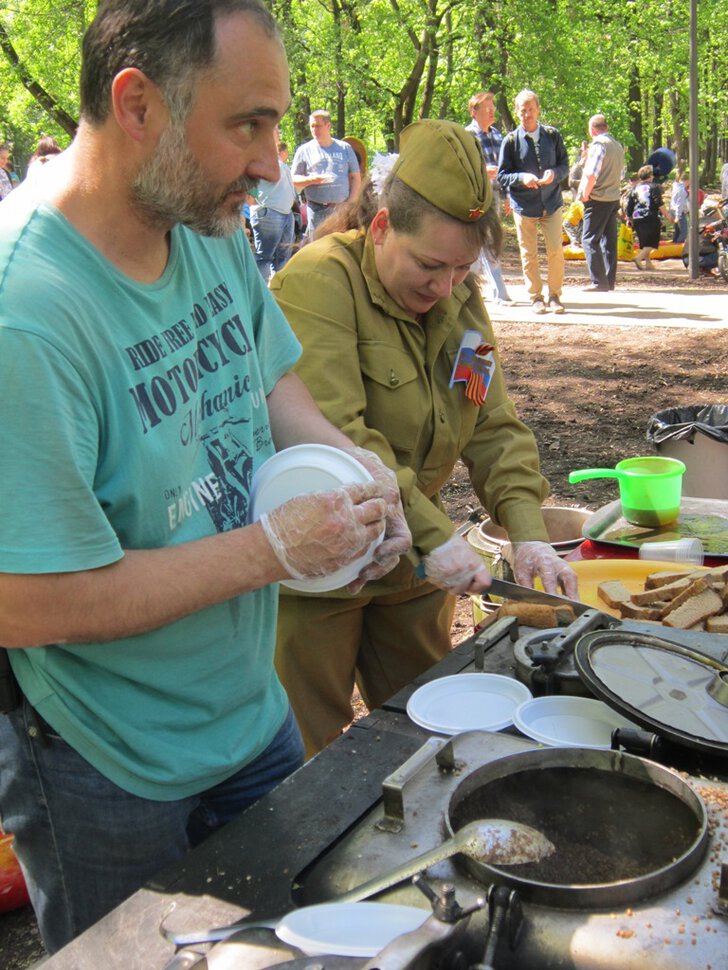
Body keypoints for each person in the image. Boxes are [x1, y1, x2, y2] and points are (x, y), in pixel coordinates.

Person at [0, 0, 411, 954]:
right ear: (136, 104)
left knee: (277, 941)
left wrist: (350, 468)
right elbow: (24, 602)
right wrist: (270, 549)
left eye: (275, 122)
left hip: (247, 710)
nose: (274, 162)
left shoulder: (206, 220)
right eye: (248, 125)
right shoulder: (28, 313)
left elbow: (270, 381)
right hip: (106, 756)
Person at [270, 119, 578, 758]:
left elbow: (488, 423)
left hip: (418, 574)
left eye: (464, 268)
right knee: (308, 757)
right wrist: (438, 538)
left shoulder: (461, 304)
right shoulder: (319, 281)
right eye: (429, 264)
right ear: (381, 227)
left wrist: (528, 532)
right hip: (321, 570)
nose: (444, 286)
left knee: (425, 738)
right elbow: (341, 438)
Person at [497, 89, 568, 314]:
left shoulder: (552, 135)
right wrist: (521, 178)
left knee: (556, 249)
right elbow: (502, 175)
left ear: (538, 109)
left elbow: (564, 166)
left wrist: (553, 175)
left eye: (530, 109)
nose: (527, 114)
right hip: (524, 205)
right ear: (517, 112)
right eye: (522, 110)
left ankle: (555, 295)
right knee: (529, 253)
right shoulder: (510, 141)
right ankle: (535, 297)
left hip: (551, 202)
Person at [465, 91, 513, 305]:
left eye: (493, 109)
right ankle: (478, 289)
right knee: (474, 241)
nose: (492, 113)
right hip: (474, 196)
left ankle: (493, 291)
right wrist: (483, 171)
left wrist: (507, 197)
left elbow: (505, 171)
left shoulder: (497, 136)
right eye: (487, 110)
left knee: (491, 240)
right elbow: (462, 168)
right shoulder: (467, 136)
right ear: (474, 112)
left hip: (493, 195)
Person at [291, 109, 361, 238]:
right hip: (316, 209)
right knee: (318, 248)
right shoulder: (304, 150)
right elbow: (293, 179)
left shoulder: (345, 148)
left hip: (341, 208)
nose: (314, 129)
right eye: (312, 126)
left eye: (318, 126)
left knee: (341, 246)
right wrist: (312, 179)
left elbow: (355, 177)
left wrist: (351, 203)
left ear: (328, 126)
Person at [578, 114, 625, 292]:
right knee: (609, 240)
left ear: (592, 129)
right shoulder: (618, 146)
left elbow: (591, 174)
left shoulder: (598, 145)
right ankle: (608, 281)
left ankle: (598, 282)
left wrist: (585, 195)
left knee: (589, 239)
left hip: (597, 198)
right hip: (613, 198)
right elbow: (621, 175)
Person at [249, 130, 297, 282]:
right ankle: (261, 294)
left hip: (286, 213)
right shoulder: (257, 155)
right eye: (274, 129)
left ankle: (279, 293)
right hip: (270, 213)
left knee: (282, 257)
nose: (278, 132)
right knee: (264, 257)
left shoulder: (276, 159)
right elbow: (250, 185)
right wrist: (251, 208)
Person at [626, 164, 667, 270]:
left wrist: (628, 217)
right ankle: (639, 258)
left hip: (637, 217)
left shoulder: (635, 189)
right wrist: (667, 215)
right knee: (653, 240)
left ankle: (648, 263)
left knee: (644, 240)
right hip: (650, 216)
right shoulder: (654, 187)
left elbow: (630, 204)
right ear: (650, 175)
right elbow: (659, 203)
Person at [669, 175, 689, 244]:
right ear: (687, 181)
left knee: (677, 230)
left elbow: (672, 201)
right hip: (679, 212)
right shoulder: (682, 191)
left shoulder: (675, 187)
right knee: (684, 231)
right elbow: (679, 204)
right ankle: (679, 244)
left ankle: (674, 241)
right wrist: (678, 216)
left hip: (673, 210)